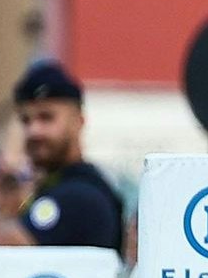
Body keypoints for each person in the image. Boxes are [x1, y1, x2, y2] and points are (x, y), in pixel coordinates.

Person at [12, 60, 125, 249]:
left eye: (46, 117)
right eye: (26, 120)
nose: (34, 131)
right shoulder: (52, 187)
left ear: (78, 121)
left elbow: (1, 252)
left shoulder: (79, 195)